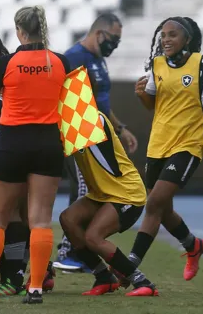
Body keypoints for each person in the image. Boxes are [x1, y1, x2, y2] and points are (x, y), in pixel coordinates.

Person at [0, 6, 69, 305]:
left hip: (12, 143)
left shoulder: (9, 62)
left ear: (19, 31)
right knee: (40, 220)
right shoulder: (60, 62)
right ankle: (35, 288)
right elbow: (73, 102)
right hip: (48, 144)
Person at [129, 17, 203, 281]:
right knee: (162, 210)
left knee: (153, 204)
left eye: (172, 35)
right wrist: (141, 94)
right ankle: (192, 246)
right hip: (158, 143)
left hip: (189, 143)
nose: (166, 40)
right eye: (163, 35)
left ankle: (128, 266)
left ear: (186, 39)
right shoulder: (156, 65)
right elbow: (151, 104)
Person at [55, 13, 139, 272]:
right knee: (83, 189)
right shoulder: (75, 58)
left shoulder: (99, 61)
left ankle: (78, 250)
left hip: (99, 136)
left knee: (89, 189)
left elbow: (102, 103)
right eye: (113, 38)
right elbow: (65, 97)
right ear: (99, 33)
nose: (115, 44)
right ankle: (69, 252)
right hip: (82, 137)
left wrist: (120, 128)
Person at [59, 112, 158, 296]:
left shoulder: (93, 118)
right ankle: (103, 277)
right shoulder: (66, 121)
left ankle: (142, 282)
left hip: (126, 193)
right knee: (68, 219)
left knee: (93, 237)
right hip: (102, 194)